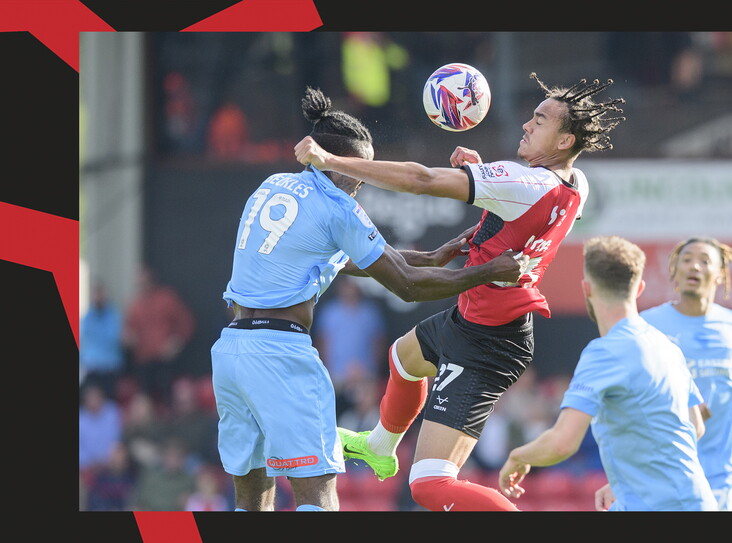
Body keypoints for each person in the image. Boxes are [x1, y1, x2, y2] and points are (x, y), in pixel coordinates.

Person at [295, 72, 626, 511]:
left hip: (487, 341)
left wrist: (330, 160)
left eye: (540, 120)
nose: (527, 124)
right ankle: (379, 445)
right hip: (479, 319)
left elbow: (420, 179)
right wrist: (484, 177)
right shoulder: (575, 184)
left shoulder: (523, 183)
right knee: (403, 358)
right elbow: (528, 214)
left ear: (565, 141)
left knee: (428, 485)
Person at [211, 86, 526, 513]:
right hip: (280, 354)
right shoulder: (338, 207)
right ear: (332, 160)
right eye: (359, 167)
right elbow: (407, 286)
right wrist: (488, 272)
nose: (363, 178)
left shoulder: (273, 185)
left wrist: (433, 256)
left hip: (232, 352)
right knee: (318, 497)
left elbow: (339, 258)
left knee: (250, 498)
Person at [499, 236, 717, 511]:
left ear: (586, 288)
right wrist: (626, 479)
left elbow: (562, 443)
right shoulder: (667, 345)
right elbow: (695, 426)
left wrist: (518, 457)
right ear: (639, 288)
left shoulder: (604, 353)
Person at [639, 236, 732, 511]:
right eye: (686, 260)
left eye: (704, 261)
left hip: (720, 468)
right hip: (665, 465)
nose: (694, 266)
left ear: (720, 274)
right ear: (674, 271)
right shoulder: (647, 325)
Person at [123, 265, 196, 406]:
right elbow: (128, 330)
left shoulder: (167, 299)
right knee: (143, 399)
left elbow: (186, 323)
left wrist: (177, 341)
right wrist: (128, 338)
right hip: (143, 362)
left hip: (165, 361)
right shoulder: (135, 305)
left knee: (169, 398)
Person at [79, 280, 125, 398]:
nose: (98, 297)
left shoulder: (114, 317)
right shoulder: (86, 319)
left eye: (100, 293)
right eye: (96, 293)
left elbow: (116, 340)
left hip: (110, 371)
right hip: (91, 371)